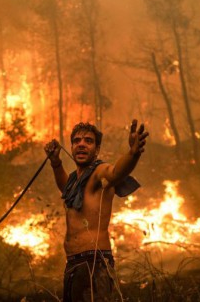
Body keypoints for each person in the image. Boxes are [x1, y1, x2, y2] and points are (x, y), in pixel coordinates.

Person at [44, 119, 148, 301]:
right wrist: (56, 163)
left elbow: (116, 172)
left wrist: (133, 153)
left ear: (97, 149)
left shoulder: (99, 173)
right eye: (77, 141)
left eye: (88, 141)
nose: (81, 144)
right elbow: (65, 188)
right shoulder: (74, 182)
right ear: (72, 146)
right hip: (73, 264)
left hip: (94, 262)